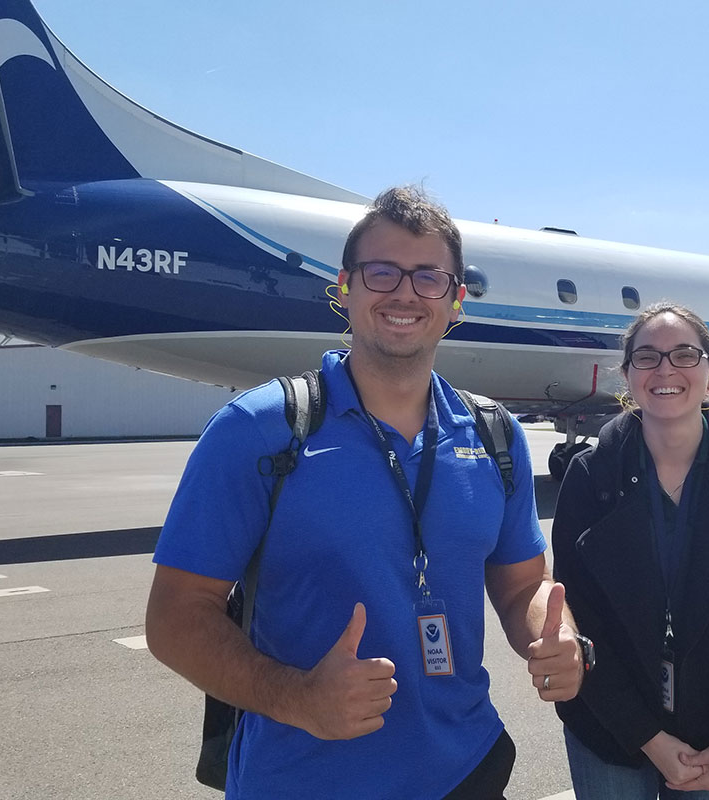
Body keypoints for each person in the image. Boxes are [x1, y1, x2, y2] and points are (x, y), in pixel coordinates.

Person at [146, 186, 585, 799]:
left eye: (428, 277)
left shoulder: (494, 436)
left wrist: (548, 633)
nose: (404, 292)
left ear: (456, 300)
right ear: (344, 288)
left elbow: (521, 586)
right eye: (381, 272)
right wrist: (299, 699)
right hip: (306, 779)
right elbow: (174, 617)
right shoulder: (261, 429)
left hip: (466, 770)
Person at [551, 302, 709, 798]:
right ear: (628, 376)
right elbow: (580, 622)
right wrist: (647, 737)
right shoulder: (589, 476)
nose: (665, 369)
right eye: (646, 357)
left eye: (685, 355)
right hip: (610, 731)